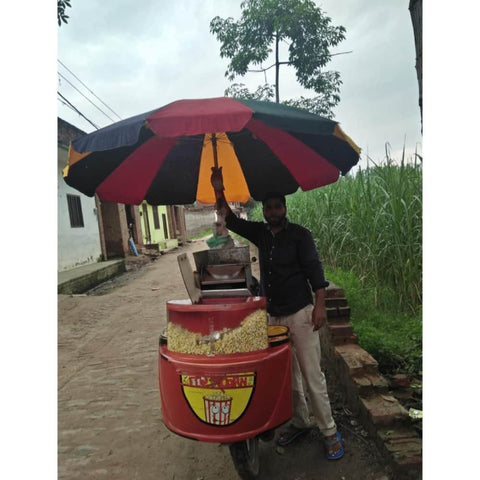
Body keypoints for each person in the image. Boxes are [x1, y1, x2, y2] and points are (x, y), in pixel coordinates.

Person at [210, 166, 344, 460]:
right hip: (274, 316)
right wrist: (219, 188)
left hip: (301, 314)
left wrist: (319, 305)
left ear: (284, 208)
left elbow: (316, 273)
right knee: (289, 376)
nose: (272, 211)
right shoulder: (260, 233)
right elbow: (229, 219)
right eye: (268, 207)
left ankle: (330, 431)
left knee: (312, 375)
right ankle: (300, 421)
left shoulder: (300, 236)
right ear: (265, 210)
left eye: (277, 206)